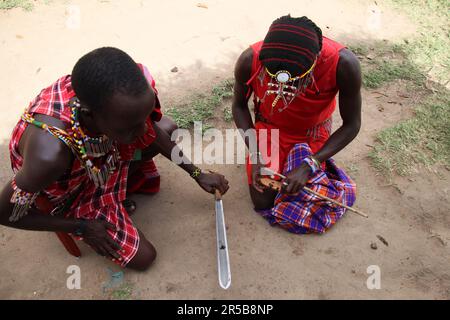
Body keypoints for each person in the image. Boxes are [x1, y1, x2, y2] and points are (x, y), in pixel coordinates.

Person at [0, 47, 229, 270]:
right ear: (90, 114)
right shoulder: (50, 156)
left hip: (95, 158)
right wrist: (82, 226)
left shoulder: (104, 97)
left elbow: (150, 130)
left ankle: (116, 190)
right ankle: (99, 201)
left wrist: (196, 173)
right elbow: (5, 214)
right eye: (129, 127)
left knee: (166, 128)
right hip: (68, 187)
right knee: (144, 258)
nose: (142, 132)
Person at [232, 15, 360, 233]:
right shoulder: (249, 59)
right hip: (269, 130)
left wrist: (310, 163)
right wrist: (255, 153)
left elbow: (352, 124)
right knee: (263, 199)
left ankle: (320, 167)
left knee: (299, 192)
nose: (286, 86)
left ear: (316, 58)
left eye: (297, 78)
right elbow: (239, 106)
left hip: (312, 133)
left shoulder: (343, 64)